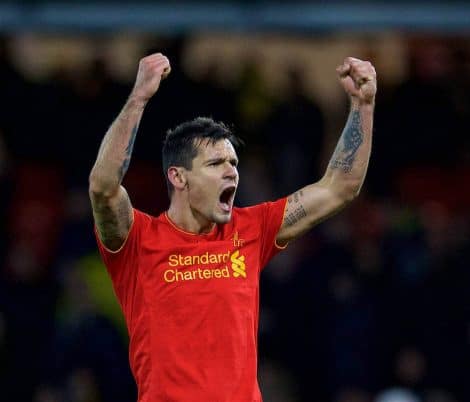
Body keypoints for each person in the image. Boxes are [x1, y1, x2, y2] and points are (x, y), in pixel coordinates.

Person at [89, 52, 376, 402]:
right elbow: (103, 187)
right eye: (215, 163)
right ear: (178, 177)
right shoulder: (137, 240)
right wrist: (138, 99)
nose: (231, 172)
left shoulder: (251, 229)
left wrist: (363, 104)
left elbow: (339, 187)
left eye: (233, 163)